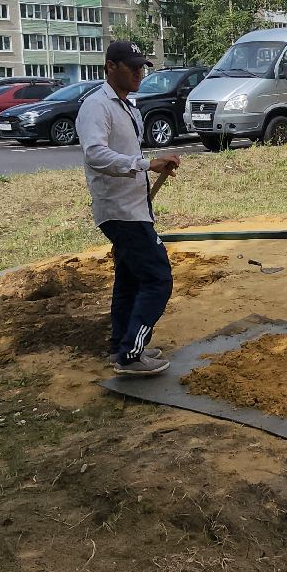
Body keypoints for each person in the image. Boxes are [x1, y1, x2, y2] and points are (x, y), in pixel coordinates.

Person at [77, 41, 181, 375]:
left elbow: (127, 153)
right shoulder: (97, 106)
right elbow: (95, 154)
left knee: (130, 280)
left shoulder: (127, 106)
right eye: (131, 65)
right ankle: (131, 355)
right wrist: (145, 164)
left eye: (142, 66)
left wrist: (155, 164)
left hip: (135, 207)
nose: (139, 72)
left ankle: (122, 342)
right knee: (158, 278)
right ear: (110, 67)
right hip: (120, 211)